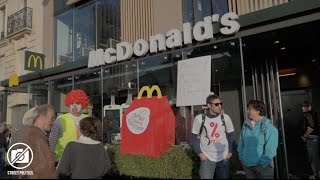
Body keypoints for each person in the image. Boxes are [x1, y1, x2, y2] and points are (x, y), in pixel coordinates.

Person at [191, 94, 237, 179]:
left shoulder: (225, 117)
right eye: (216, 104)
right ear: (209, 105)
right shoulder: (199, 119)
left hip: (223, 157)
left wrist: (230, 153)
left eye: (220, 103)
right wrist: (201, 154)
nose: (219, 106)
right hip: (207, 157)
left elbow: (232, 136)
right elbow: (194, 139)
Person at [237, 100, 278, 179]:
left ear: (258, 111)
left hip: (263, 167)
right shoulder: (246, 126)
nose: (247, 111)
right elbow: (241, 143)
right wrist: (241, 158)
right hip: (247, 166)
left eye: (250, 109)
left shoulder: (268, 127)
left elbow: (271, 148)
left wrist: (263, 163)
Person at [49, 89, 89, 162]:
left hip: (82, 160)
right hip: (62, 160)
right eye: (71, 103)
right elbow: (52, 142)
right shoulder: (60, 119)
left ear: (82, 104)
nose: (74, 106)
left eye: (77, 103)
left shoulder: (87, 119)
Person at [21, 104, 57, 179]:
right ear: (41, 116)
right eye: (52, 118)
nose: (53, 122)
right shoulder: (35, 136)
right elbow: (45, 168)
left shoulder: (33, 134)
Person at [301, 101, 319, 179]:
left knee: (312, 158)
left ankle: (315, 175)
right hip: (315, 138)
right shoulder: (314, 113)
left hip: (312, 139)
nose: (302, 108)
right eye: (302, 106)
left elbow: (311, 126)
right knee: (315, 157)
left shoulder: (308, 114)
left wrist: (305, 136)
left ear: (309, 107)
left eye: (304, 106)